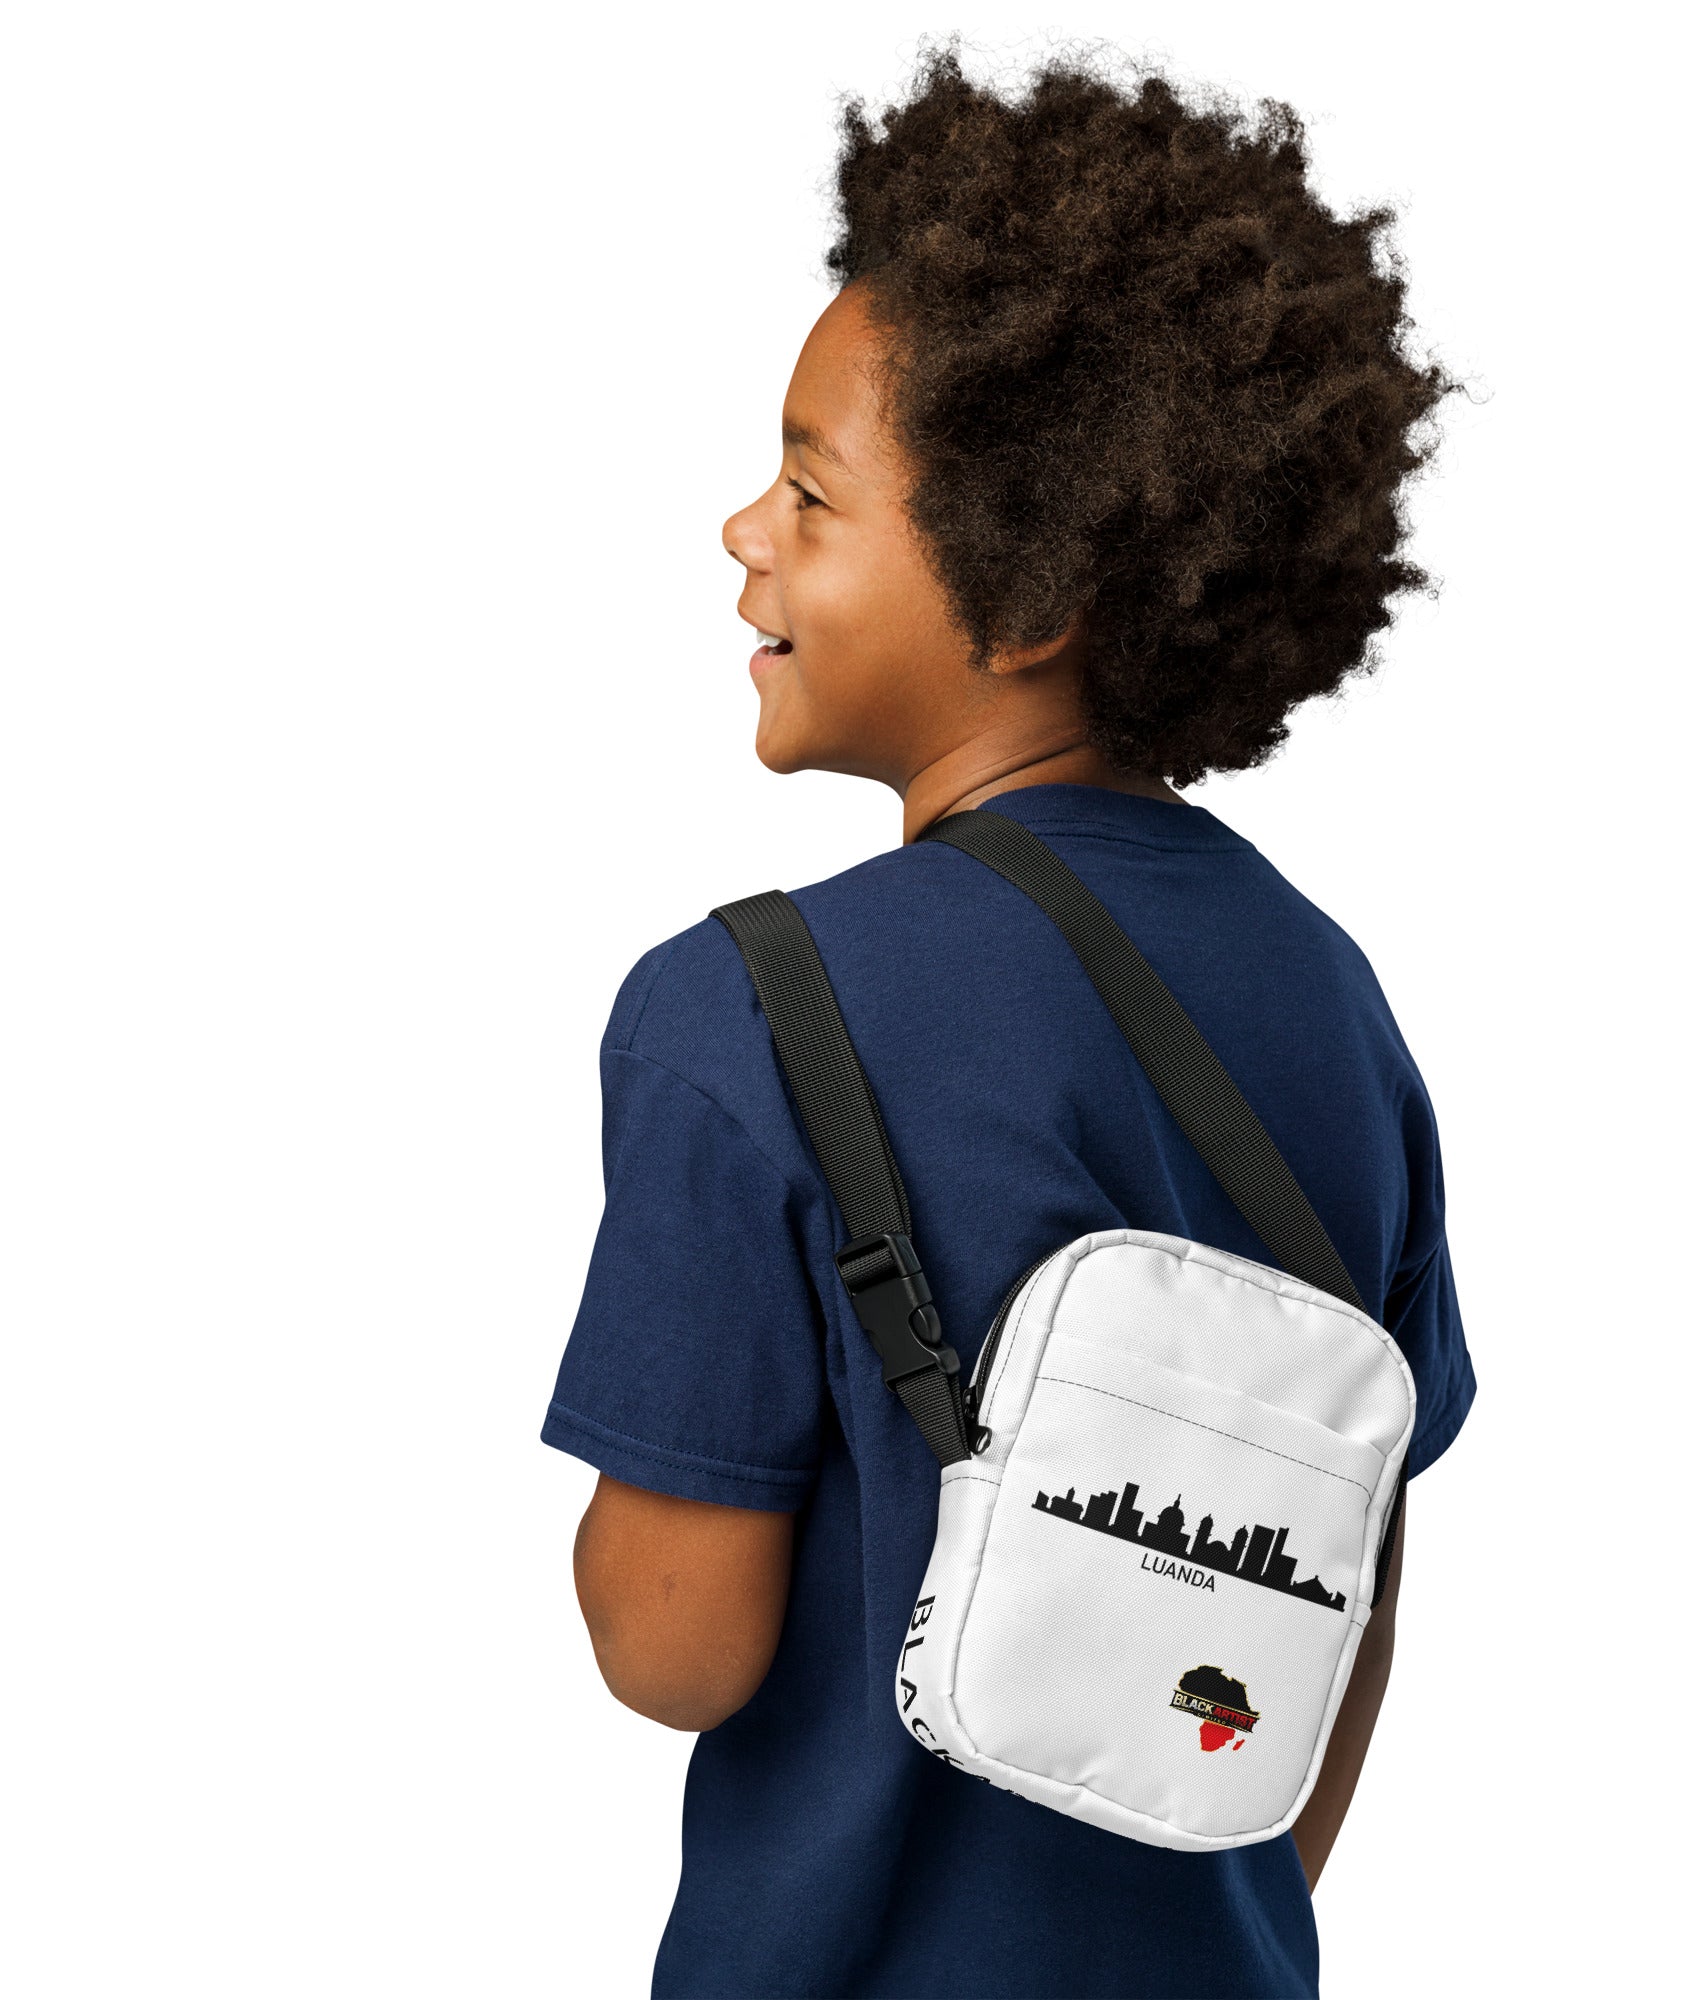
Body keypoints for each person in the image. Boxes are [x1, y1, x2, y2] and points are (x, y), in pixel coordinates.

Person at [543, 50, 1473, 1999]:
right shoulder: (1332, 1000)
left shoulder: (741, 1008)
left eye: (810, 492)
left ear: (1032, 590)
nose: (743, 529)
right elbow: (1352, 1579)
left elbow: (676, 1647)